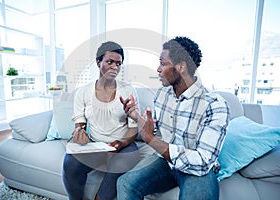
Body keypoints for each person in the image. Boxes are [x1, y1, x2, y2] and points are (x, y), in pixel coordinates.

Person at [118, 36, 230, 200]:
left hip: (197, 170)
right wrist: (136, 117)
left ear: (181, 67)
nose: (158, 69)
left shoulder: (214, 105)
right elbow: (156, 133)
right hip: (164, 162)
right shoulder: (162, 94)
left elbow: (203, 161)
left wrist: (150, 139)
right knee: (124, 183)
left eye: (163, 63)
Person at [62, 41, 141, 200]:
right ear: (98, 62)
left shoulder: (128, 90)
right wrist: (80, 132)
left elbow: (134, 128)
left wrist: (122, 143)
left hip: (124, 145)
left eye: (118, 63)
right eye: (109, 62)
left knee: (120, 163)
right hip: (96, 145)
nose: (115, 67)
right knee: (70, 163)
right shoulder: (83, 92)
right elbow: (80, 124)